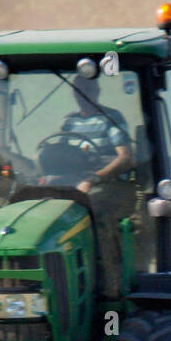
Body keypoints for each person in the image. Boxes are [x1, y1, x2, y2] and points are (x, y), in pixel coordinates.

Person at [59, 75, 136, 297]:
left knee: (96, 215)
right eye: (79, 91)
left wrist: (94, 178)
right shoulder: (69, 122)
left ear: (97, 92)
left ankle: (111, 284)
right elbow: (58, 153)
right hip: (74, 184)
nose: (84, 96)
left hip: (110, 186)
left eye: (88, 91)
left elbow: (125, 158)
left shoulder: (109, 118)